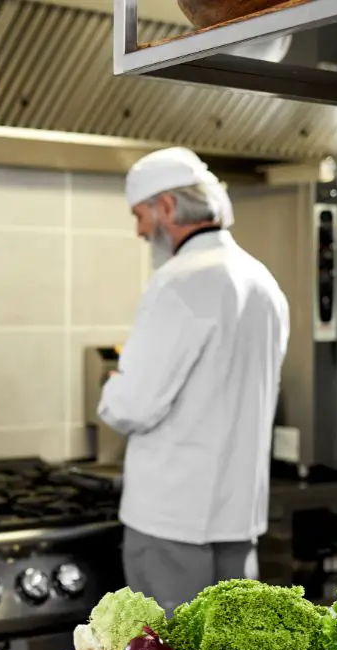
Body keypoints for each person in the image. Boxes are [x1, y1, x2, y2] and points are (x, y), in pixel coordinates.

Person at [97, 147, 290, 614]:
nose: (139, 230)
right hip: (238, 518)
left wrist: (112, 383)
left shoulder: (177, 282)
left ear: (166, 208)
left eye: (139, 214)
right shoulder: (262, 282)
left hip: (169, 521)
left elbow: (130, 407)